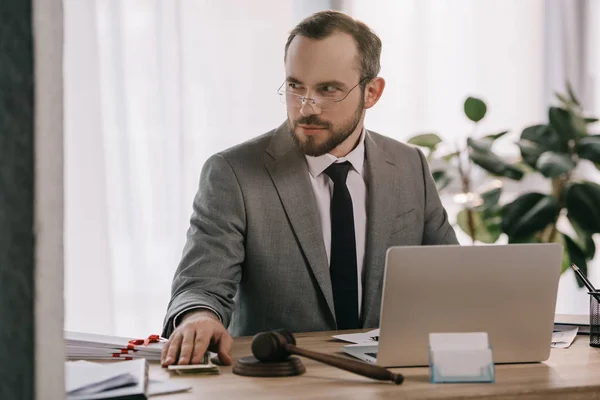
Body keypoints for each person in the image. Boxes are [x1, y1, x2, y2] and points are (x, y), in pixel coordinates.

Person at [161, 10, 458, 367]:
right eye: (295, 86)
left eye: (327, 89)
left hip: (392, 378)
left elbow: (452, 278)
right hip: (281, 380)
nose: (305, 107)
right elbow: (201, 285)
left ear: (372, 92)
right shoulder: (232, 173)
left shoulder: (409, 164)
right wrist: (198, 317)